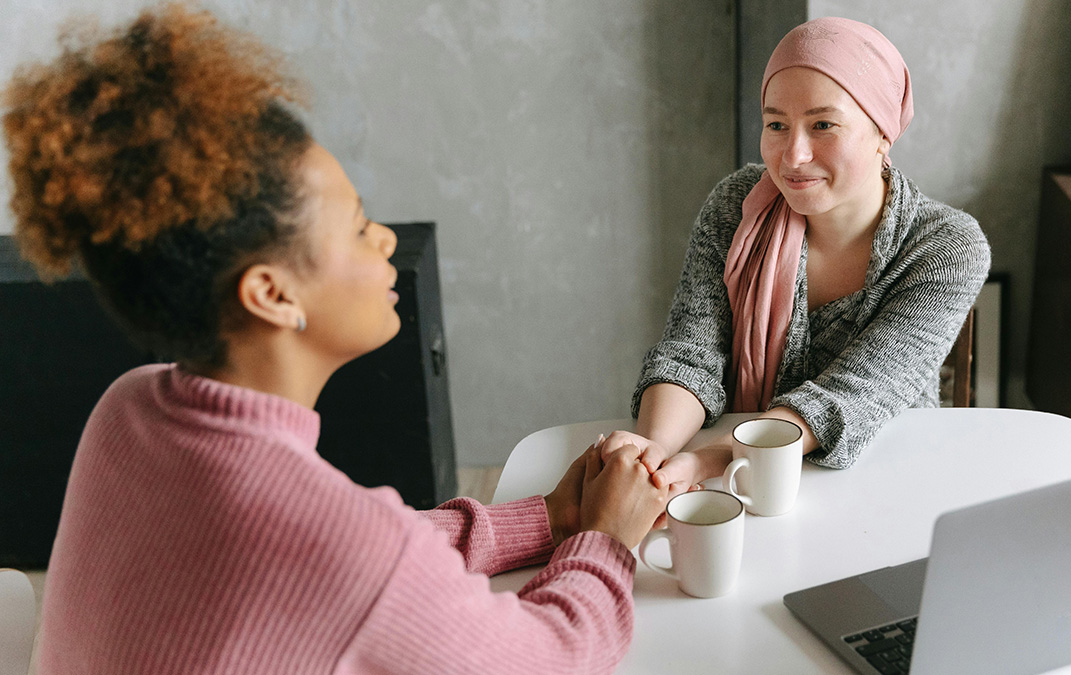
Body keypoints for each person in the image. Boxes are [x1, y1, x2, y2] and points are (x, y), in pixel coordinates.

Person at [4, 6, 667, 673]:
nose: (383, 239)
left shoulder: (128, 408)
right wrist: (607, 537)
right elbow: (555, 654)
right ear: (272, 293)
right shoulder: (336, 543)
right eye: (355, 225)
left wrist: (549, 516)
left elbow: (367, 561)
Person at [600, 17, 990, 493]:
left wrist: (709, 461)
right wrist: (654, 452)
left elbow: (850, 396)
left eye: (823, 124)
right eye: (776, 125)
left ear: (883, 131)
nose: (792, 156)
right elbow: (691, 354)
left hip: (881, 484)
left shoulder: (947, 247)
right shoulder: (738, 205)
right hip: (745, 484)